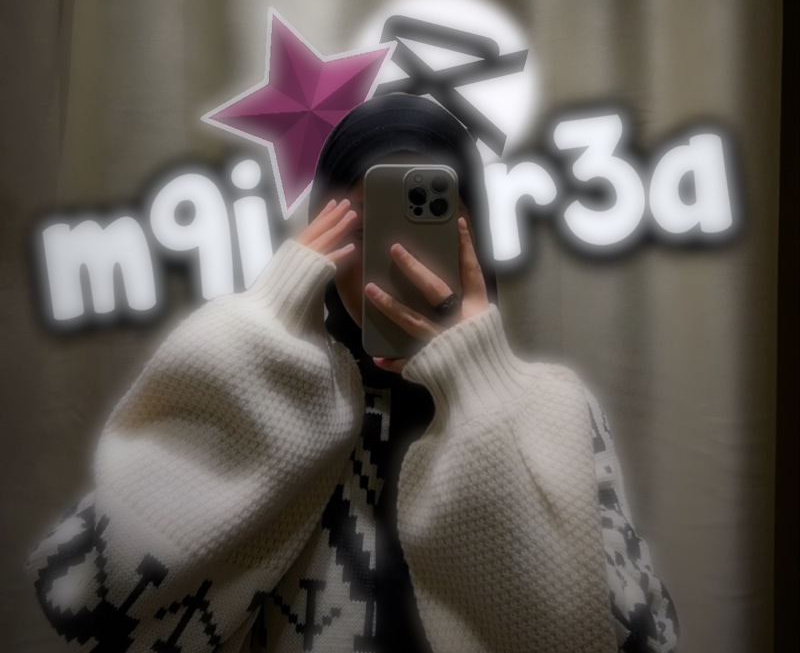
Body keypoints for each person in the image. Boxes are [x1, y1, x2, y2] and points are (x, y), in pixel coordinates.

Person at [26, 94, 678, 652]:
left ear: (475, 238)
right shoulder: (275, 392)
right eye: (361, 230)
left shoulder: (549, 410)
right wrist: (260, 339)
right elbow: (82, 596)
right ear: (320, 235)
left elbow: (640, 638)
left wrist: (485, 394)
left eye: (426, 229)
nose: (394, 259)